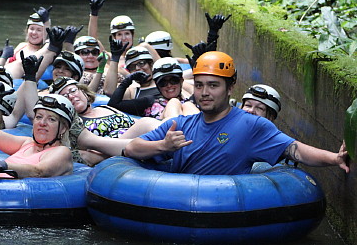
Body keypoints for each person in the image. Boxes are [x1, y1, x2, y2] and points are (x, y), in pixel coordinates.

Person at [124, 51, 350, 175]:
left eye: (213, 85)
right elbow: (131, 148)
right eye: (200, 85)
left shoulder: (252, 126)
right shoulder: (182, 124)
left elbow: (295, 150)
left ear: (230, 88)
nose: (204, 93)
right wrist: (163, 146)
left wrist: (334, 158)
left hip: (225, 209)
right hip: (180, 206)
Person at [48, 76, 161, 166]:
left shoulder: (106, 107)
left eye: (73, 91)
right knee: (145, 123)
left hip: (142, 139)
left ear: (84, 92)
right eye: (65, 97)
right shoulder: (73, 124)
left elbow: (136, 123)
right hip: (117, 153)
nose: (71, 96)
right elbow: (86, 155)